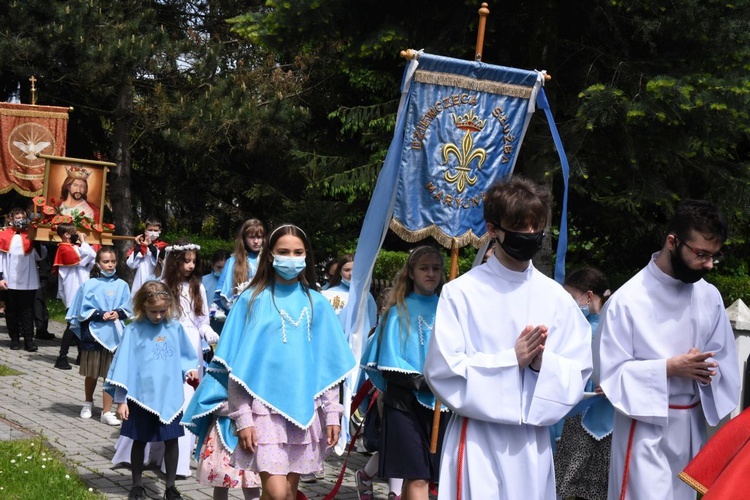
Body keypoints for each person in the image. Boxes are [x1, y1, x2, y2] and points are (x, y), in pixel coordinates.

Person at [423, 177, 593, 500]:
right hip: (478, 438)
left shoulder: (556, 300)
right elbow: (442, 371)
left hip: (531, 444)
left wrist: (545, 364)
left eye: (535, 228)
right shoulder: (461, 294)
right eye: (519, 227)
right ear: (492, 230)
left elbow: (580, 372)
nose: (529, 236)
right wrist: (509, 360)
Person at [182, 224, 356, 500]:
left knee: (287, 493)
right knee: (275, 493)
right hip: (261, 411)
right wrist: (242, 418)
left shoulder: (317, 303)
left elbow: (327, 367)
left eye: (298, 252)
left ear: (306, 256)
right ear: (271, 255)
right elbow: (236, 368)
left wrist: (332, 413)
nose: (292, 258)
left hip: (304, 411)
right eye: (284, 251)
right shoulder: (251, 300)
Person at [595, 199, 741, 500]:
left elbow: (725, 365)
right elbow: (608, 375)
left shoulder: (709, 296)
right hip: (645, 431)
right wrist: (668, 368)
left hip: (690, 430)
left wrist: (705, 372)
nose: (709, 265)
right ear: (672, 242)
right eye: (701, 254)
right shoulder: (627, 300)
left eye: (715, 256)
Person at [360, 246, 449, 500]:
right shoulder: (398, 311)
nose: (431, 273)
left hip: (441, 404)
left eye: (435, 268)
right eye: (424, 268)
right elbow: (389, 364)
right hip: (405, 404)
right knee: (416, 474)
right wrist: (426, 382)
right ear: (411, 273)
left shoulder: (449, 309)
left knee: (428, 476)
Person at [105, 280, 199, 500]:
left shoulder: (174, 328)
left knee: (171, 440)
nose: (158, 316)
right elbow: (123, 366)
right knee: (139, 439)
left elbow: (186, 355)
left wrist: (190, 369)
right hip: (140, 397)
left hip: (169, 395)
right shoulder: (133, 331)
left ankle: (170, 486)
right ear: (142, 307)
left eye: (162, 311)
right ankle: (137, 484)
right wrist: (121, 400)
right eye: (153, 311)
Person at [554, 267, 614, 500]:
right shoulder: (573, 329)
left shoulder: (612, 327)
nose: (568, 305)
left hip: (609, 420)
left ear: (588, 297)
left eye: (571, 298)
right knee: (566, 485)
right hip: (575, 416)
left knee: (603, 488)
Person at [161, 239, 219, 477]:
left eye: (194, 261)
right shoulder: (163, 285)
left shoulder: (199, 287)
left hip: (192, 345)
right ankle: (156, 449)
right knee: (165, 396)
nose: (191, 266)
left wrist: (207, 331)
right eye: (186, 261)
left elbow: (201, 318)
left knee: (187, 397)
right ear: (175, 262)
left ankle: (180, 459)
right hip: (169, 343)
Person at [67, 247, 132, 426]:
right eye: (106, 261)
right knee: (92, 372)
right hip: (94, 334)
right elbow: (82, 309)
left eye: (112, 261)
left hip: (115, 335)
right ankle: (88, 402)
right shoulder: (89, 285)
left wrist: (118, 313)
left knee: (110, 375)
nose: (110, 265)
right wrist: (98, 314)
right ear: (98, 263)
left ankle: (106, 411)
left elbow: (129, 308)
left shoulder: (122, 285)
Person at [0, 208, 47, 351]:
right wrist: (1, 277)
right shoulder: (4, 235)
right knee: (12, 310)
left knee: (27, 311)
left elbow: (41, 256)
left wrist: (37, 239)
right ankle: (14, 338)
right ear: (11, 219)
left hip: (28, 279)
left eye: (22, 217)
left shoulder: (30, 234)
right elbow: (0, 258)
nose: (20, 220)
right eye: (17, 217)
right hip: (10, 278)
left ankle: (28, 340)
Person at [54, 223, 96, 370]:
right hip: (72, 291)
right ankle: (62, 357)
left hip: (81, 288)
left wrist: (84, 244)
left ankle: (81, 355)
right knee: (72, 325)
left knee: (81, 323)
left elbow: (91, 257)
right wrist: (84, 241)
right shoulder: (64, 248)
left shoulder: (74, 248)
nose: (77, 235)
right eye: (74, 233)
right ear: (66, 234)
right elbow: (86, 256)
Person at [215, 218, 265, 313]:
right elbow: (221, 296)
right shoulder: (232, 261)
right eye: (251, 237)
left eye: (259, 237)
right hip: (240, 311)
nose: (256, 241)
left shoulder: (268, 259)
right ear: (244, 239)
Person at [126, 216, 168, 296]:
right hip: (140, 281)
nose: (152, 232)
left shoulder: (163, 247)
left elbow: (161, 263)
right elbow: (131, 264)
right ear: (145, 231)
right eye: (150, 230)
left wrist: (151, 246)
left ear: (160, 231)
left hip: (156, 282)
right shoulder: (140, 246)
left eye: (155, 230)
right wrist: (139, 246)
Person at [202, 249, 229, 334]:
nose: (222, 271)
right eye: (219, 267)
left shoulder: (233, 281)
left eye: (225, 267)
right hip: (210, 322)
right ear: (213, 265)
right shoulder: (204, 280)